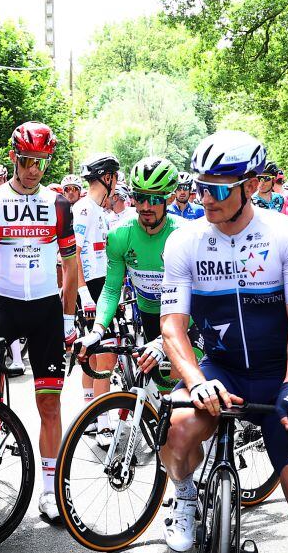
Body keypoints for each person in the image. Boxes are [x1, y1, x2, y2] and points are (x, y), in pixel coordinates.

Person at [159, 131, 288, 553]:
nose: (205, 198)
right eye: (200, 187)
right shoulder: (184, 240)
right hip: (221, 370)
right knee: (178, 431)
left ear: (252, 185)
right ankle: (183, 493)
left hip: (278, 378)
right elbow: (172, 326)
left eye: (217, 188)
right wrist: (196, 380)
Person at [0, 121, 78, 522]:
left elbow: (69, 261)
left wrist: (70, 316)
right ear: (15, 158)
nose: (34, 169)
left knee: (49, 404)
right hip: (5, 304)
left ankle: (50, 492)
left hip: (46, 310)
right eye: (28, 161)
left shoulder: (58, 204)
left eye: (42, 162)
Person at [76, 157, 180, 432]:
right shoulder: (120, 235)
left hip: (181, 319)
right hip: (147, 313)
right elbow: (111, 289)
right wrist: (98, 330)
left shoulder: (182, 235)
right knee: (158, 386)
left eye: (154, 199)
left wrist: (168, 340)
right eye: (139, 197)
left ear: (168, 198)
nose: (145, 206)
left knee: (179, 394)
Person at [72, 152, 120, 441]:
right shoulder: (85, 209)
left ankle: (90, 413)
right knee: (107, 357)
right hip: (92, 287)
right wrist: (83, 294)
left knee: (91, 355)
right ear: (107, 177)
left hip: (100, 284)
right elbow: (72, 253)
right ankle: (102, 422)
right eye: (116, 178)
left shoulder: (99, 209)